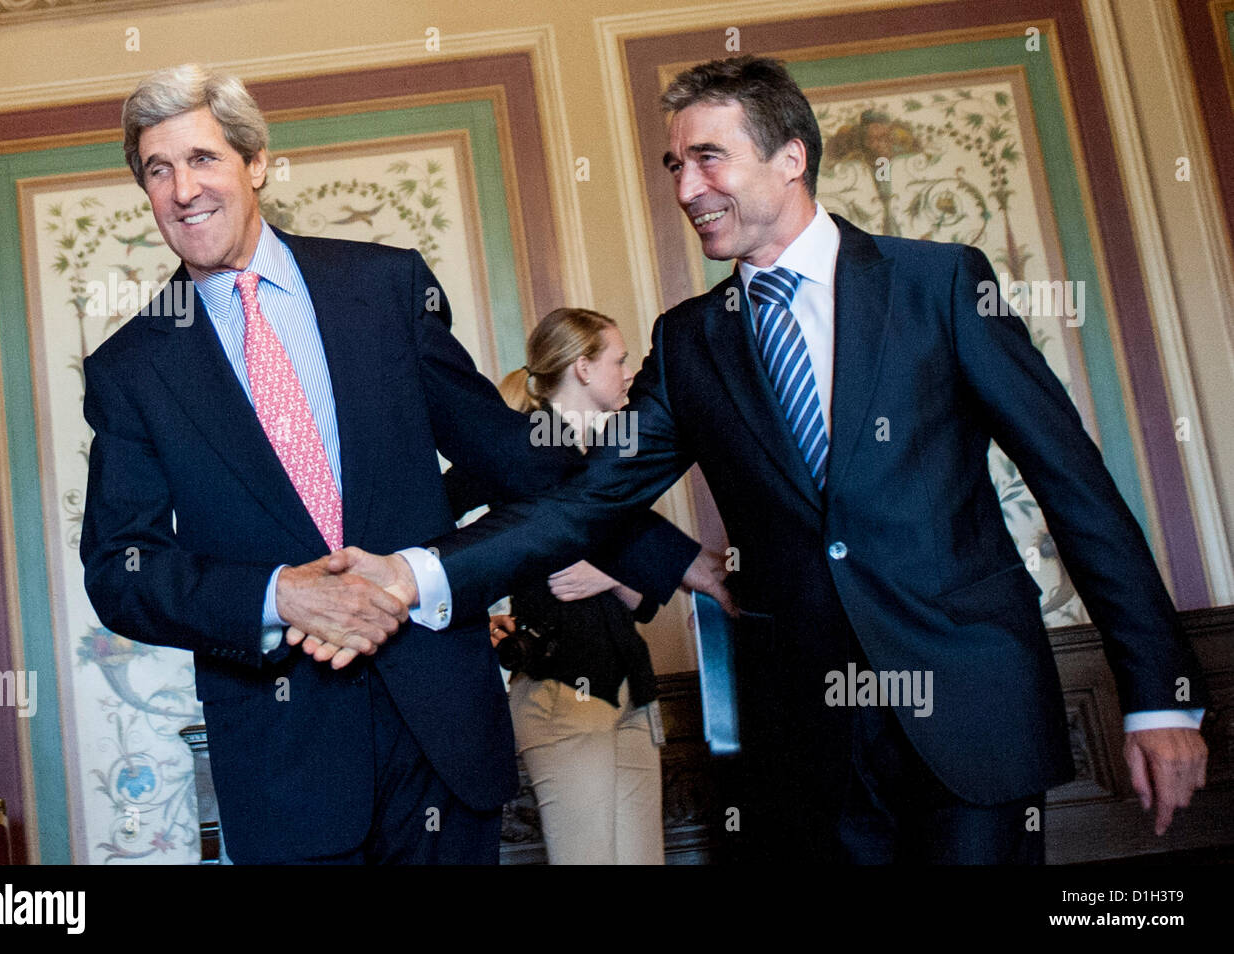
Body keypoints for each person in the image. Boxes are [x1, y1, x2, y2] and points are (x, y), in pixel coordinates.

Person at [322, 56, 1210, 863]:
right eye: (675, 165)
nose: (687, 186)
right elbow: (581, 503)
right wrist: (417, 575)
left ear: (791, 157)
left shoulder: (937, 283)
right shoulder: (689, 342)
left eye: (709, 158)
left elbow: (1075, 484)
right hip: (808, 740)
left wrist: (1159, 694)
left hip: (972, 709)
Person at [79, 64, 694, 865]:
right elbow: (120, 569)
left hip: (439, 727)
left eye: (202, 159)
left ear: (255, 163)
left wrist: (674, 560)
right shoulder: (132, 368)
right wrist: (280, 594)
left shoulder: (384, 286)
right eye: (157, 171)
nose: (182, 189)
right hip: (282, 756)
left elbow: (511, 458)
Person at [471, 308, 677, 864]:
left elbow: (645, 598)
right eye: (619, 360)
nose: (629, 372)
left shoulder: (612, 462)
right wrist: (475, 618)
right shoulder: (521, 453)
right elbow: (436, 530)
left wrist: (611, 574)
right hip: (561, 693)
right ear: (583, 368)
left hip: (633, 692)